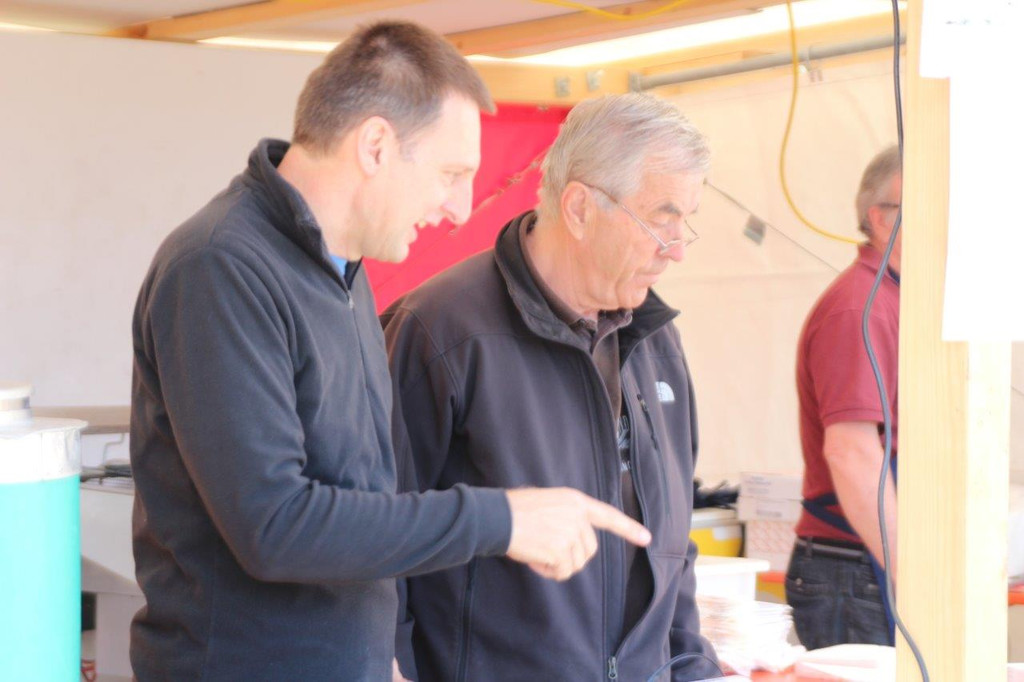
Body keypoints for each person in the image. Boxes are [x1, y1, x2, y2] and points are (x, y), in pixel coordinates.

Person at [128, 22, 651, 682]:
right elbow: (275, 526)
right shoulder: (220, 267)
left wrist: (385, 658)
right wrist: (502, 518)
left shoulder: (341, 273)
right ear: (375, 145)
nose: (461, 208)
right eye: (451, 174)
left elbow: (360, 496)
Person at [383, 93, 720, 682]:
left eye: (685, 221)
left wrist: (694, 668)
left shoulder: (657, 341)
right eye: (660, 220)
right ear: (580, 208)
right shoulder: (441, 330)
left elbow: (672, 547)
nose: (677, 249)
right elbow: (377, 543)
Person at [786, 145, 902, 649]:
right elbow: (852, 452)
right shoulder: (861, 307)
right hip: (854, 570)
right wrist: (910, 570)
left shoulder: (897, 299)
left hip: (866, 566)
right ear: (881, 219)